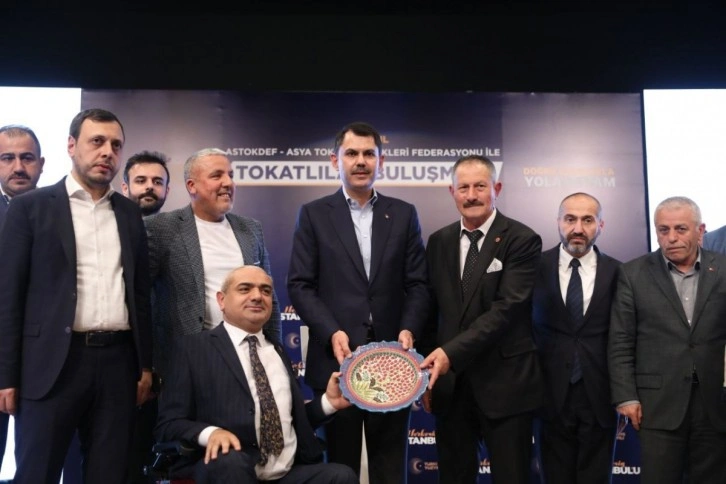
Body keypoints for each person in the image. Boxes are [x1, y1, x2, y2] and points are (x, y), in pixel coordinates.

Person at [0, 108, 153, 483]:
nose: (107, 152)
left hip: (118, 365)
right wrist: (6, 375)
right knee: (37, 473)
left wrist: (145, 366)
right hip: (51, 364)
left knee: (109, 474)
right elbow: (9, 298)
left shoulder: (129, 214)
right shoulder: (30, 208)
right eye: (97, 141)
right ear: (71, 145)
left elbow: (139, 295)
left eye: (115, 145)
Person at [287, 121, 429, 483]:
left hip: (393, 362)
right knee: (340, 469)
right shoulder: (314, 214)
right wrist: (331, 331)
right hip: (337, 360)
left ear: (382, 161)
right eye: (351, 153)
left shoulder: (404, 213)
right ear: (336, 160)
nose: (361, 161)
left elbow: (417, 284)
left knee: (390, 467)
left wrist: (409, 329)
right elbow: (300, 285)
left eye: (369, 154)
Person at [155, 265, 358, 484]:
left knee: (341, 476)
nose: (257, 296)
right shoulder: (193, 350)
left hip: (284, 474)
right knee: (231, 463)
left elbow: (288, 421)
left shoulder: (278, 351)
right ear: (222, 300)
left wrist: (329, 403)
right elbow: (169, 424)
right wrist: (211, 433)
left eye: (265, 291)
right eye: (245, 289)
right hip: (230, 471)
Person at [420, 155, 543, 484]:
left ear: (496, 188)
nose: (471, 195)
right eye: (463, 188)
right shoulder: (438, 241)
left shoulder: (522, 239)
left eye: (480, 186)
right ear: (452, 192)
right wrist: (425, 374)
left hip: (506, 386)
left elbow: (507, 309)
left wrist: (449, 353)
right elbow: (431, 312)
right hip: (451, 387)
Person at [608, 196, 726, 484]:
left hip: (715, 403)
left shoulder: (723, 268)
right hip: (657, 405)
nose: (671, 238)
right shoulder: (633, 273)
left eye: (680, 229)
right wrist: (626, 396)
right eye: (663, 230)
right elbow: (621, 340)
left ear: (701, 231)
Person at [145, 147, 281, 381]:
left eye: (230, 175)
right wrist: (146, 365)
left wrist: (276, 353)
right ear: (192, 186)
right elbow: (141, 298)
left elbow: (271, 297)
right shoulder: (161, 228)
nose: (228, 183)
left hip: (247, 359)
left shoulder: (251, 229)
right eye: (217, 176)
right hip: (185, 362)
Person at [532, 192, 620, 484]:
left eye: (588, 220)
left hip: (600, 395)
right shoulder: (532, 268)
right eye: (570, 219)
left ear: (601, 225)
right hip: (548, 395)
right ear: (558, 222)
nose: (578, 228)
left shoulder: (619, 272)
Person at [122, 150, 170, 484]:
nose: (149, 187)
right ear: (125, 187)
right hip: (114, 364)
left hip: (164, 370)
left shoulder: (177, 235)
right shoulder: (107, 231)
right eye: (141, 181)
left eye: (157, 181)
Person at [0, 124, 45, 477]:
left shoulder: (64, 212)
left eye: (27, 158)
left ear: (41, 164)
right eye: (7, 158)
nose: (18, 167)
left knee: (38, 466)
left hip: (46, 361)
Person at [121, 150, 170, 216]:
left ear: (166, 192)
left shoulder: (176, 222)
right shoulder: (110, 222)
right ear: (125, 189)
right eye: (141, 181)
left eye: (157, 182)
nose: (150, 186)